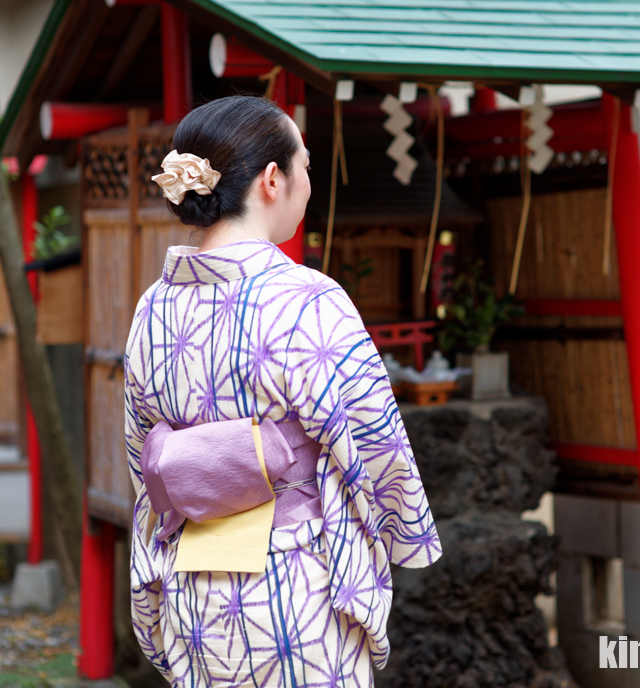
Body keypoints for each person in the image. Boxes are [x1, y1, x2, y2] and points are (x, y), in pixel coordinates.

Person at [123, 95, 442, 687]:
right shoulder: (310, 300)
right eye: (307, 166)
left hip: (194, 593)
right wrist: (405, 533)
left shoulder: (151, 309)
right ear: (273, 180)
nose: (307, 182)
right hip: (296, 588)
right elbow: (375, 441)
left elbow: (146, 458)